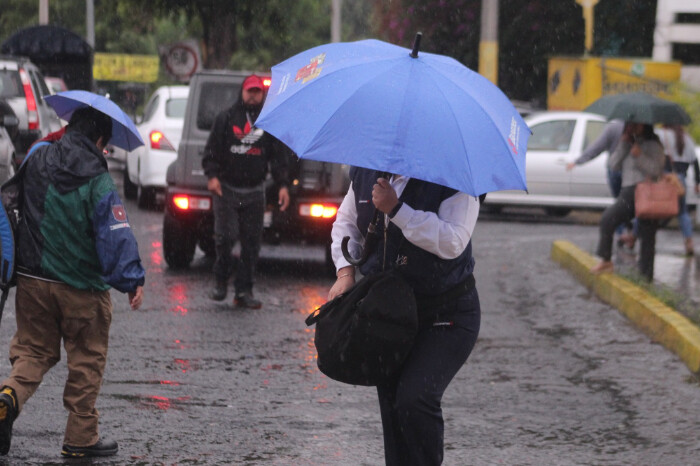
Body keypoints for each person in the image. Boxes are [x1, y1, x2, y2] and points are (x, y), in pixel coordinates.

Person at [0, 106, 145, 458]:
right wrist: (131, 279)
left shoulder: (37, 158)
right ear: (99, 140)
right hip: (81, 287)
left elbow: (13, 204)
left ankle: (8, 396)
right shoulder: (97, 178)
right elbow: (115, 232)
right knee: (86, 359)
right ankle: (81, 436)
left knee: (33, 351)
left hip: (33, 280)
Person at [328, 168, 481, 465]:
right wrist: (345, 271)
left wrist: (397, 210)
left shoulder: (454, 175)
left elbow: (453, 241)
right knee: (392, 404)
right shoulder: (364, 171)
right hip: (391, 313)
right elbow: (346, 222)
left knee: (415, 398)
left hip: (446, 312)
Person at [202, 74, 290, 308]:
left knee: (252, 243)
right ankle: (220, 282)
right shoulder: (226, 118)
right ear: (242, 92)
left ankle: (244, 291)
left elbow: (279, 158)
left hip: (255, 191)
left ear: (262, 95)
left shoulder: (269, 123)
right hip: (227, 190)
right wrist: (212, 177)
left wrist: (283, 185)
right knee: (226, 237)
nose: (253, 96)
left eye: (257, 92)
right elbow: (210, 153)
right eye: (249, 91)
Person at [590, 122, 666, 281]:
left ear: (645, 125)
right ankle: (606, 260)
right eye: (629, 125)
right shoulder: (627, 142)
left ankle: (646, 278)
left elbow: (656, 170)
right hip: (628, 191)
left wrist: (640, 156)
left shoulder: (654, 145)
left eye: (635, 125)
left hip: (646, 192)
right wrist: (624, 144)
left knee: (647, 236)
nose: (631, 127)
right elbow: (613, 165)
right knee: (607, 219)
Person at [567, 119, 631, 240]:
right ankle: (629, 231)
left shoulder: (613, 128)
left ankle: (621, 233)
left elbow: (597, 147)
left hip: (615, 169)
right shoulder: (639, 128)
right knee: (629, 203)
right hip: (632, 172)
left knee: (619, 202)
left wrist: (579, 161)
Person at [656, 124, 699, 256]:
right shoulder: (686, 138)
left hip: (665, 179)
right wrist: (697, 181)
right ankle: (689, 241)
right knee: (682, 212)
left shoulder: (661, 135)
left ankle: (635, 237)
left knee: (653, 209)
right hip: (680, 181)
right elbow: (695, 162)